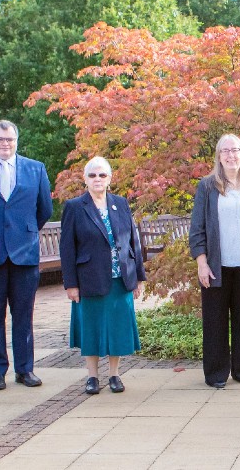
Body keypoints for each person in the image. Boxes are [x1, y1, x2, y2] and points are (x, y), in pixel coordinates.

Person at [0, 120, 53, 391]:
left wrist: (24, 232)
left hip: (24, 254)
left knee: (24, 315)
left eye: (10, 139)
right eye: (0, 139)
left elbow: (44, 210)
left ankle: (25, 369)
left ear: (17, 140)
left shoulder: (35, 168)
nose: (6, 144)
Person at [59, 157, 145, 395]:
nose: (98, 179)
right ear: (85, 179)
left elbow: (133, 243)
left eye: (102, 175)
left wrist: (138, 277)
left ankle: (115, 375)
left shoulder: (121, 203)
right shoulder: (75, 207)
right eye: (93, 175)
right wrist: (71, 284)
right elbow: (67, 248)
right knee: (92, 327)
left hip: (121, 278)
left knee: (117, 328)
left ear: (110, 178)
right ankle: (93, 377)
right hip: (89, 279)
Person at [190, 135, 240, 389]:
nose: (231, 155)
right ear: (218, 155)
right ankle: (216, 373)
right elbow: (197, 229)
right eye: (225, 151)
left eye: (235, 150)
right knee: (215, 321)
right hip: (216, 267)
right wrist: (202, 262)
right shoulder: (207, 186)